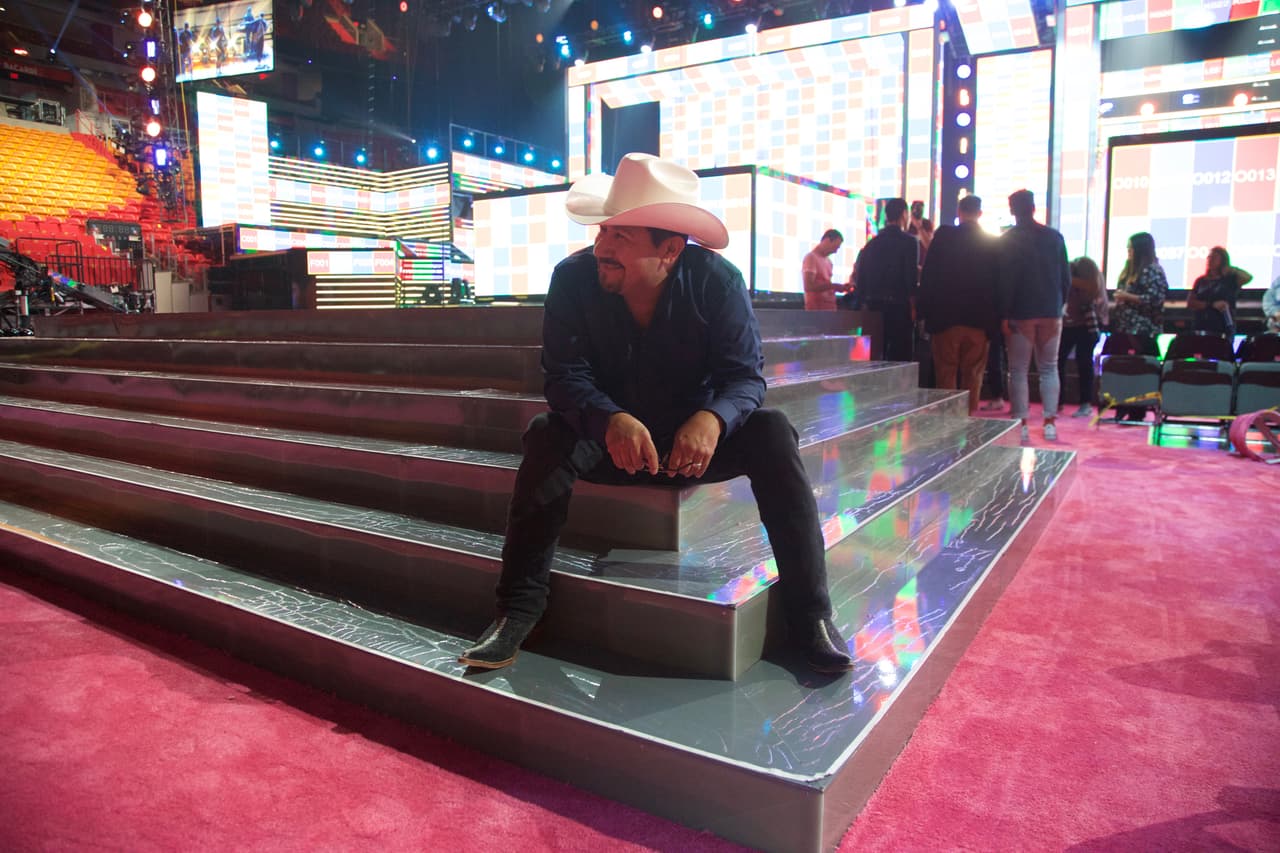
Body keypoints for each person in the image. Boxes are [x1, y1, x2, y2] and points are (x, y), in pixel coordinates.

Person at [458, 153, 854, 675]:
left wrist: (712, 420)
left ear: (670, 249)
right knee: (546, 435)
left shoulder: (717, 282)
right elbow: (563, 376)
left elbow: (745, 379)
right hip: (608, 443)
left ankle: (810, 616)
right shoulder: (573, 278)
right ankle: (517, 611)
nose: (601, 246)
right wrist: (610, 420)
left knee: (773, 433)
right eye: (603, 231)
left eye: (620, 236)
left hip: (692, 448)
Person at [996, 189, 1071, 442]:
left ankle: (1022, 424)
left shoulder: (1007, 240)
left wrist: (1004, 313)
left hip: (1021, 312)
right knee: (1049, 367)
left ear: (1012, 210)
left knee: (1018, 370)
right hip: (1051, 310)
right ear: (1034, 208)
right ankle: (1049, 423)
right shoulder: (1055, 237)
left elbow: (1005, 281)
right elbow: (1066, 278)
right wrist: (1059, 304)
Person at [916, 195, 998, 413]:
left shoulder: (943, 236)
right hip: (980, 321)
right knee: (974, 376)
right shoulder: (991, 242)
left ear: (958, 212)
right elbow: (998, 283)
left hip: (945, 319)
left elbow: (929, 276)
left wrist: (923, 313)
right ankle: (969, 420)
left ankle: (948, 423)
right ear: (980, 214)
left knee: (946, 373)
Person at [1109, 231, 1168, 421]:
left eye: (1131, 248)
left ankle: (1138, 410)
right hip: (1124, 327)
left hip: (1143, 330)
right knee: (1122, 368)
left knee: (1140, 370)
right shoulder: (1128, 270)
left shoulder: (1153, 270)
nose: (1128, 251)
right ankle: (1121, 406)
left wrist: (1127, 297)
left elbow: (1155, 299)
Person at [853, 198, 919, 362]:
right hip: (899, 308)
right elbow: (910, 277)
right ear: (904, 214)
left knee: (874, 357)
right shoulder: (910, 242)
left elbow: (861, 278)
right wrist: (914, 307)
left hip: (873, 308)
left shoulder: (871, 244)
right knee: (899, 359)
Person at [1059, 256, 1108, 418]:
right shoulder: (1088, 278)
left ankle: (1081, 402)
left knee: (1083, 361)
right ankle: (1064, 401)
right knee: (1071, 361)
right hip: (1077, 325)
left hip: (1085, 325)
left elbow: (1090, 292)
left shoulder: (1085, 280)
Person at [1187, 246, 1251, 337]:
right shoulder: (1201, 281)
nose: (1210, 260)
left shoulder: (1230, 280)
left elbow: (1248, 277)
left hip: (1223, 325)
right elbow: (1191, 303)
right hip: (1201, 325)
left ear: (1222, 260)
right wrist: (1211, 305)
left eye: (1214, 258)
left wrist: (1230, 269)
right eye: (1209, 257)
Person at [802, 228, 845, 311]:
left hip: (830, 310)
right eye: (835, 247)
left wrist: (840, 288)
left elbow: (826, 285)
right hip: (816, 312)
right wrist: (834, 286)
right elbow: (808, 286)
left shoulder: (829, 261)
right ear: (827, 240)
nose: (835, 251)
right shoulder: (811, 257)